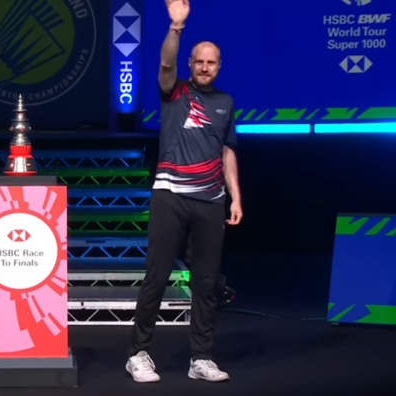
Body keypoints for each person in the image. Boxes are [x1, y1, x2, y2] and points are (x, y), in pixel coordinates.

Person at [126, 0, 242, 384]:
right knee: (157, 276)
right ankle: (138, 353)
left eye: (211, 62)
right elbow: (164, 65)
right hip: (170, 196)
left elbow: (227, 152)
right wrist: (176, 28)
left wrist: (235, 196)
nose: (204, 67)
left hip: (211, 201)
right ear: (190, 64)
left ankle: (201, 358)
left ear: (219, 67)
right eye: (199, 61)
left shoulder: (225, 103)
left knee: (205, 282)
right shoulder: (173, 93)